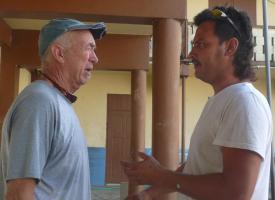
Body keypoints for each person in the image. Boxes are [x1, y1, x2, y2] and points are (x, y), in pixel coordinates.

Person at [121, 6, 273, 200]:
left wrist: (163, 176)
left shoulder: (244, 104)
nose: (191, 53)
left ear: (230, 47)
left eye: (201, 45)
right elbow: (198, 165)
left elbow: (236, 193)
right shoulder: (222, 101)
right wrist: (149, 194)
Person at [0, 18, 106, 200]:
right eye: (89, 48)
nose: (95, 58)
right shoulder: (39, 102)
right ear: (59, 53)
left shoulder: (56, 101)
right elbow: (19, 194)